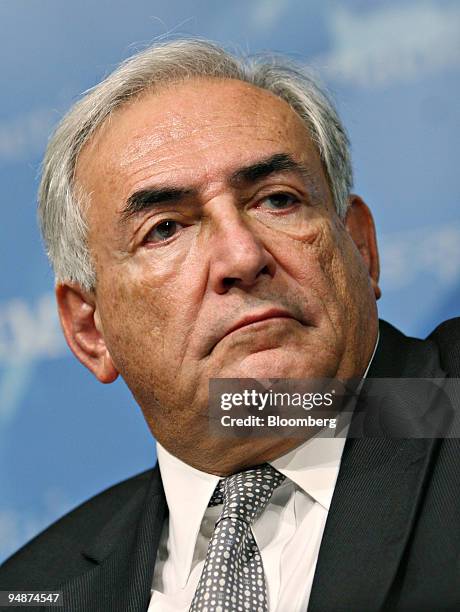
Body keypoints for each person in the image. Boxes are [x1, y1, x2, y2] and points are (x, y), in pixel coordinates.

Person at [0, 39, 458, 612]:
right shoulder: (32, 590)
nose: (242, 257)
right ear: (91, 330)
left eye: (277, 200)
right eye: (165, 229)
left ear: (361, 248)